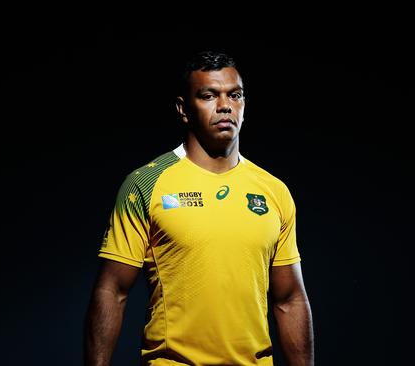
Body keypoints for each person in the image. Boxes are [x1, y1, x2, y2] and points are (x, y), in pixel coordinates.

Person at [83, 50, 314, 366]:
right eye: (209, 95)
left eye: (235, 95)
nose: (224, 106)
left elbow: (289, 299)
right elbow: (112, 290)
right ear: (183, 109)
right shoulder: (145, 183)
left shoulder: (274, 191)